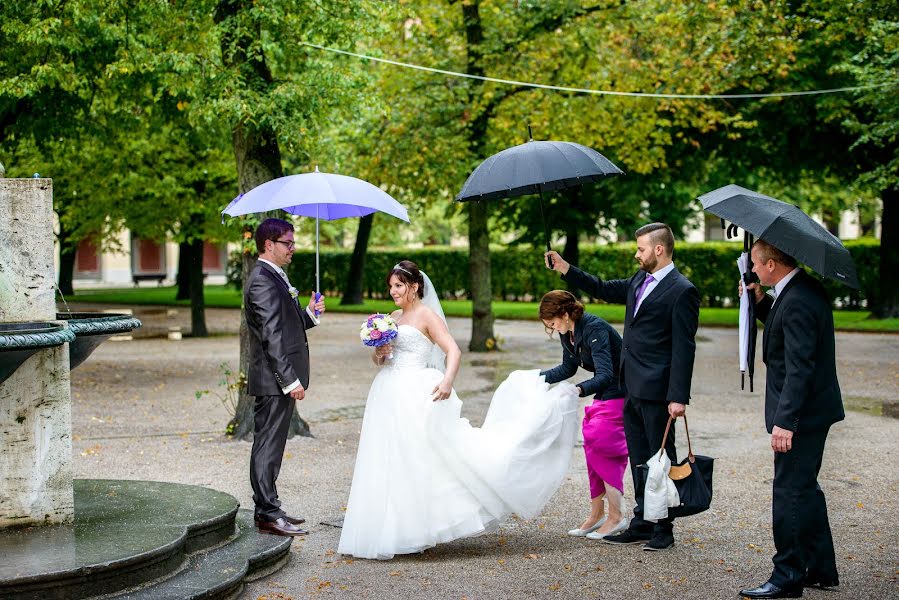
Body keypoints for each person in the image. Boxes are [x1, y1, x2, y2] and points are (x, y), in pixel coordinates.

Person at [338, 260, 580, 560]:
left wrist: (447, 380)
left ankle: (419, 527)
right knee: (387, 457)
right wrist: (379, 353)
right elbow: (382, 361)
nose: (393, 292)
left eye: (398, 286)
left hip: (417, 390)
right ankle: (391, 529)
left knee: (419, 458)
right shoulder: (392, 317)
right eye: (391, 286)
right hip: (387, 392)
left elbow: (452, 349)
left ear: (414, 286)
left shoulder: (426, 316)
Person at [543, 222, 700, 551]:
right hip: (629, 386)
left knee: (662, 458)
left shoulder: (682, 290)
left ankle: (663, 527)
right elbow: (600, 286)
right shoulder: (639, 280)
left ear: (659, 249)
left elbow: (684, 348)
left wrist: (677, 396)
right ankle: (643, 520)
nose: (636, 253)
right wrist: (566, 268)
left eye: (641, 248)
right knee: (641, 457)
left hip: (658, 390)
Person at [738, 239, 843, 599]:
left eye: (754, 263)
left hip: (802, 414)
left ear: (771, 266)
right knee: (805, 490)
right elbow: (786, 330)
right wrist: (761, 303)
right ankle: (820, 568)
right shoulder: (799, 290)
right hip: (813, 410)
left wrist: (786, 421)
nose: (751, 268)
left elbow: (800, 368)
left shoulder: (798, 299)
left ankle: (787, 576)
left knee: (790, 494)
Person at [245, 218, 326, 537]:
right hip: (272, 379)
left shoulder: (275, 276)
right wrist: (289, 380)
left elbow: (287, 324)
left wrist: (309, 315)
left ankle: (271, 507)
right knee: (267, 445)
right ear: (269, 245)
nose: (293, 248)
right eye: (288, 243)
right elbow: (271, 335)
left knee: (274, 445)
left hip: (276, 377)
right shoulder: (263, 280)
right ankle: (266, 514)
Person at [538, 290, 629, 540]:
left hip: (622, 390)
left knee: (602, 442)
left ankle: (617, 516)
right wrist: (534, 378)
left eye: (553, 323)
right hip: (605, 394)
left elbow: (606, 374)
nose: (553, 329)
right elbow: (568, 367)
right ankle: (596, 513)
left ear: (565, 314)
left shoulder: (594, 329)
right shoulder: (568, 332)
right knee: (591, 446)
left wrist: (579, 389)